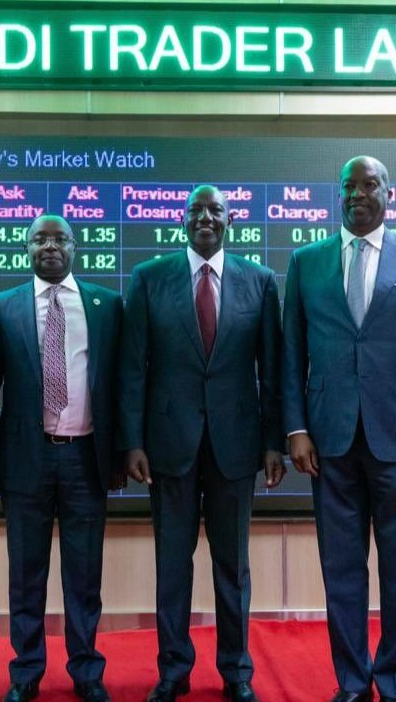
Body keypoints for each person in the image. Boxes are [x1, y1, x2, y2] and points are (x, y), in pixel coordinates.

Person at [282, 156, 396, 702]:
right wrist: (295, 428)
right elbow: (291, 355)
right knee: (341, 569)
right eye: (349, 186)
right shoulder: (306, 261)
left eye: (369, 185)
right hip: (328, 440)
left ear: (389, 193)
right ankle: (353, 682)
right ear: (338, 194)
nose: (358, 194)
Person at [119, 185, 285, 702]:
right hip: (168, 445)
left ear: (231, 220)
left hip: (236, 445)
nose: (205, 217)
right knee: (173, 563)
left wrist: (274, 442)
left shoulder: (259, 281)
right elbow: (132, 368)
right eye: (196, 210)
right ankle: (173, 669)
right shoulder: (149, 278)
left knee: (233, 566)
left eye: (216, 210)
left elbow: (272, 371)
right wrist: (132, 441)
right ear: (182, 219)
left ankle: (236, 670)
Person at [0, 215, 123, 702]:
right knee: (26, 574)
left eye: (60, 239)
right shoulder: (3, 306)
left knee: (85, 575)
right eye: (40, 239)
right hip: (26, 460)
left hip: (86, 458)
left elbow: (121, 385)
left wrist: (121, 454)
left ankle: (86, 671)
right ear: (27, 248)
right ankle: (26, 672)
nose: (50, 247)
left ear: (75, 247)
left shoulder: (106, 305)